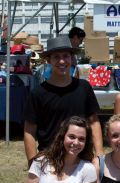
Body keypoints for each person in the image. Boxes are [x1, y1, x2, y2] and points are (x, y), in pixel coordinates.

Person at [24, 36, 103, 164]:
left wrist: (99, 154)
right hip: (49, 159)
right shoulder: (38, 93)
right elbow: (29, 131)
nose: (62, 61)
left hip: (81, 157)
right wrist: (32, 161)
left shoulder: (83, 87)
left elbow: (94, 122)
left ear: (71, 58)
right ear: (48, 60)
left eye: (66, 56)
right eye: (56, 57)